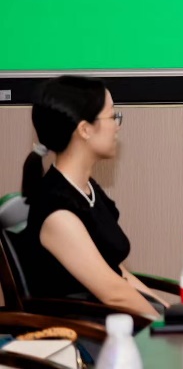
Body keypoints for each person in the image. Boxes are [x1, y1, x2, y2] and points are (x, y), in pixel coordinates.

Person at [20, 75, 167, 318]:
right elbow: (114, 294)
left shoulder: (85, 190)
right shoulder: (57, 212)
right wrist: (167, 326)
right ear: (85, 130)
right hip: (84, 333)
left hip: (109, 322)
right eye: (112, 116)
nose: (117, 125)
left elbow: (118, 275)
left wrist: (171, 315)